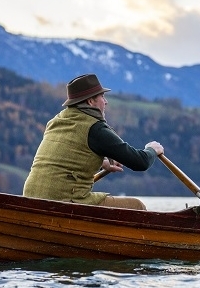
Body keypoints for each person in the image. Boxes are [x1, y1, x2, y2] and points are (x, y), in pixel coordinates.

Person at [23, 73, 164, 210]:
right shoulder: (95, 128)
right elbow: (140, 162)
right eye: (102, 96)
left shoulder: (57, 121)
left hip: (30, 197)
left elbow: (64, 155)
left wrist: (102, 163)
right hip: (63, 201)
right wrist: (151, 150)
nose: (106, 102)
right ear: (91, 101)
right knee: (136, 206)